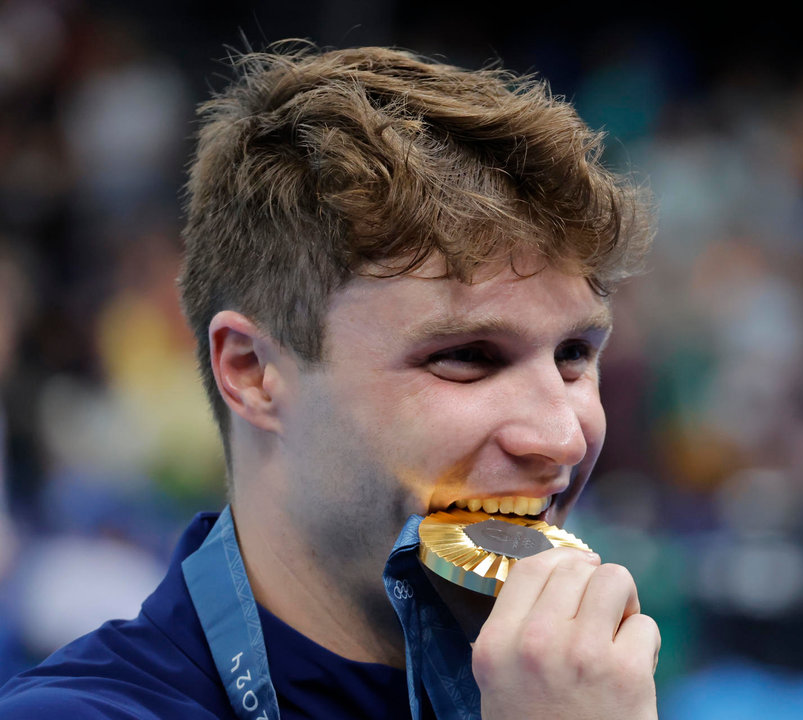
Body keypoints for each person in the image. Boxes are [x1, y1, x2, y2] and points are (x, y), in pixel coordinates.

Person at [0, 43, 660, 719]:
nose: (562, 439)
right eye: (468, 357)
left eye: (575, 353)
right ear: (252, 372)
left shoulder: (591, 692)